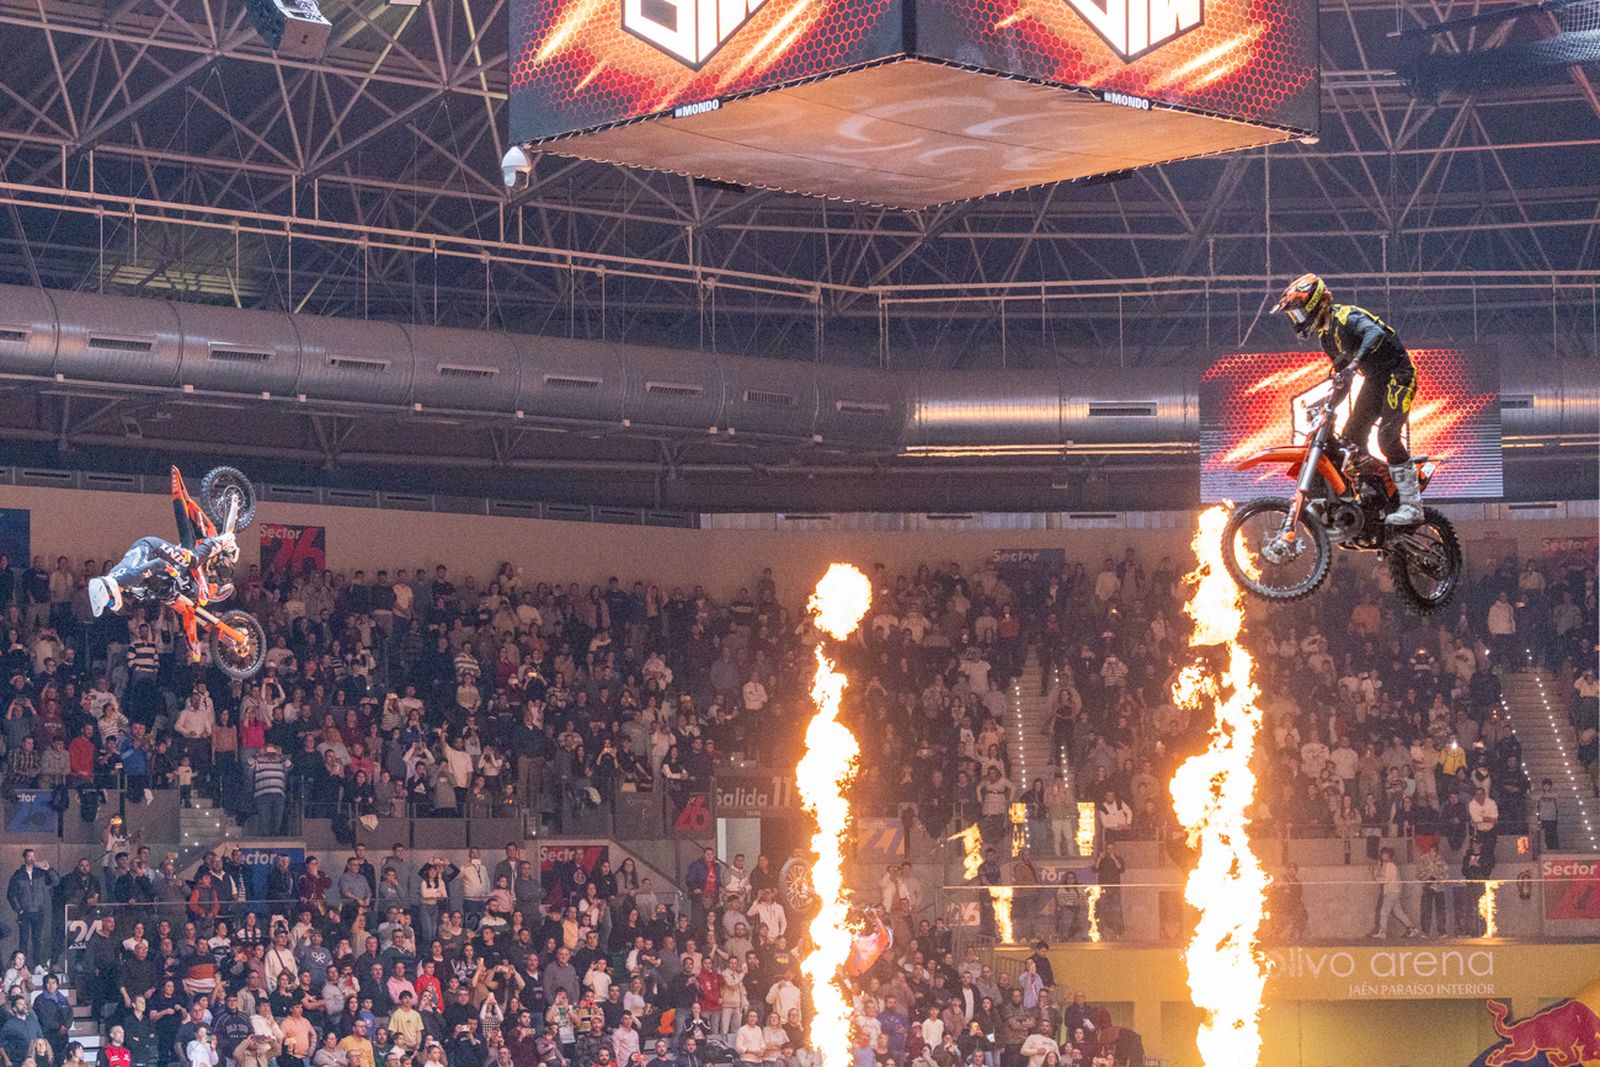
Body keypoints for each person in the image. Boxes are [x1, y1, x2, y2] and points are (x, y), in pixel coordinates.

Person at [1272, 273, 1422, 525]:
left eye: (1297, 313)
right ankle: (1375, 492)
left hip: (1399, 373)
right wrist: (1328, 407)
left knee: (1387, 436)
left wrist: (1354, 363)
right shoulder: (1326, 337)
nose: (1296, 320)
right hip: (1375, 379)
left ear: (1314, 303)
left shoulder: (1347, 317)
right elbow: (1344, 379)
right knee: (1351, 437)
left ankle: (1412, 505)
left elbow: (1374, 334)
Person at [7, 849, 59, 964]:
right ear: (24, 858)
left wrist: (48, 869)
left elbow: (56, 881)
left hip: (38, 911)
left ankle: (38, 964)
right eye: (29, 856)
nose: (32, 858)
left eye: (33, 856)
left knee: (37, 940)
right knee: (23, 940)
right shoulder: (18, 875)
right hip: (24, 912)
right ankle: (21, 965)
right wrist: (19, 909)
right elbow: (11, 894)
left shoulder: (41, 873)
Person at [1369, 847, 1420, 939]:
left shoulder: (1390, 865)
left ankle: (1382, 932)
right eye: (1382, 854)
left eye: (1385, 854)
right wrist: (1376, 871)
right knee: (1398, 912)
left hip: (1391, 891)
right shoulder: (1387, 865)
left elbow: (1385, 880)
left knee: (1384, 912)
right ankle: (1413, 929)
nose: (1383, 856)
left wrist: (1375, 874)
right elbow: (1382, 877)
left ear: (1389, 856)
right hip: (1394, 891)